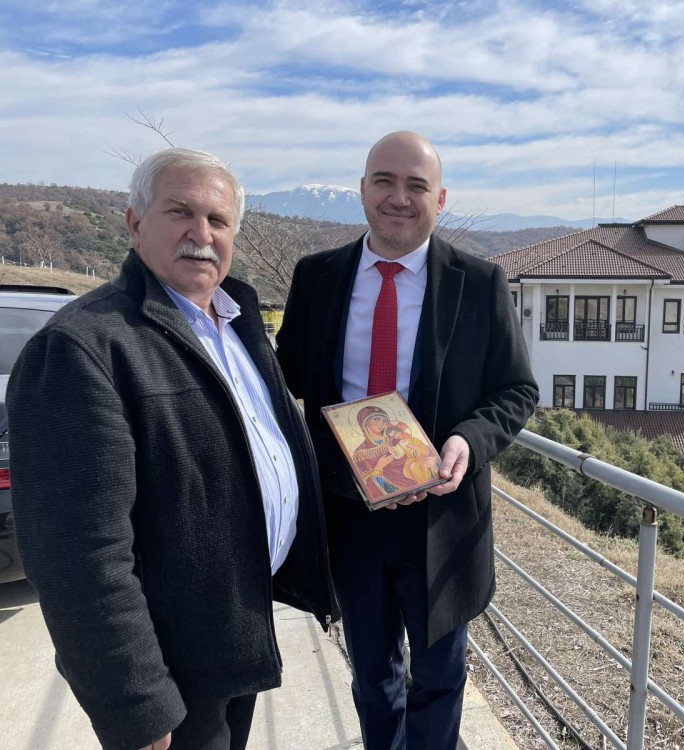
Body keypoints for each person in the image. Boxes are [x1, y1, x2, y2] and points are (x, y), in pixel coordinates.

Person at [8, 148, 339, 750]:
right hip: (170, 665)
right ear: (135, 224)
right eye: (180, 212)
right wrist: (134, 703)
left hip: (236, 630)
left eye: (218, 220)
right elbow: (78, 555)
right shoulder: (84, 347)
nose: (202, 234)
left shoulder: (236, 324)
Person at [275, 131, 539, 750]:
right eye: (385, 182)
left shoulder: (479, 283)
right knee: (372, 675)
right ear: (362, 190)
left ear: (439, 199)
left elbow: (516, 390)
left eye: (416, 185)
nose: (399, 197)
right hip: (349, 513)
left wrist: (468, 441)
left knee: (440, 679)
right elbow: (287, 374)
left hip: (441, 517)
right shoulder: (317, 277)